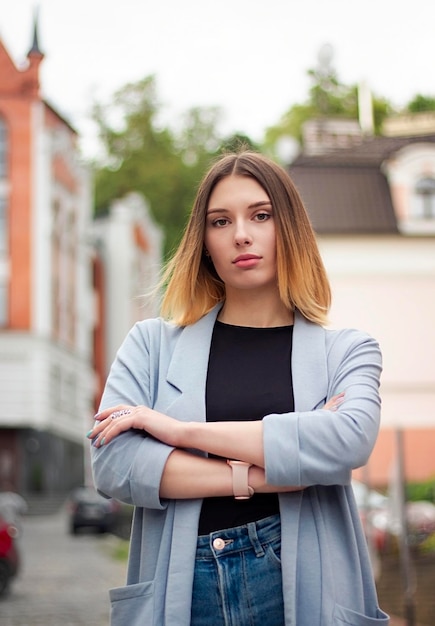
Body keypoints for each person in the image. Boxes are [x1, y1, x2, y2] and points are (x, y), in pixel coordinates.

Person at [88, 150, 389, 626]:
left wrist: (176, 432)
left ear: (288, 228)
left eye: (261, 215)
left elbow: (348, 440)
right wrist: (259, 476)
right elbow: (113, 463)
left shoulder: (347, 351)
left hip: (298, 588)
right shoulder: (151, 345)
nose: (242, 234)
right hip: (183, 588)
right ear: (204, 241)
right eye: (221, 221)